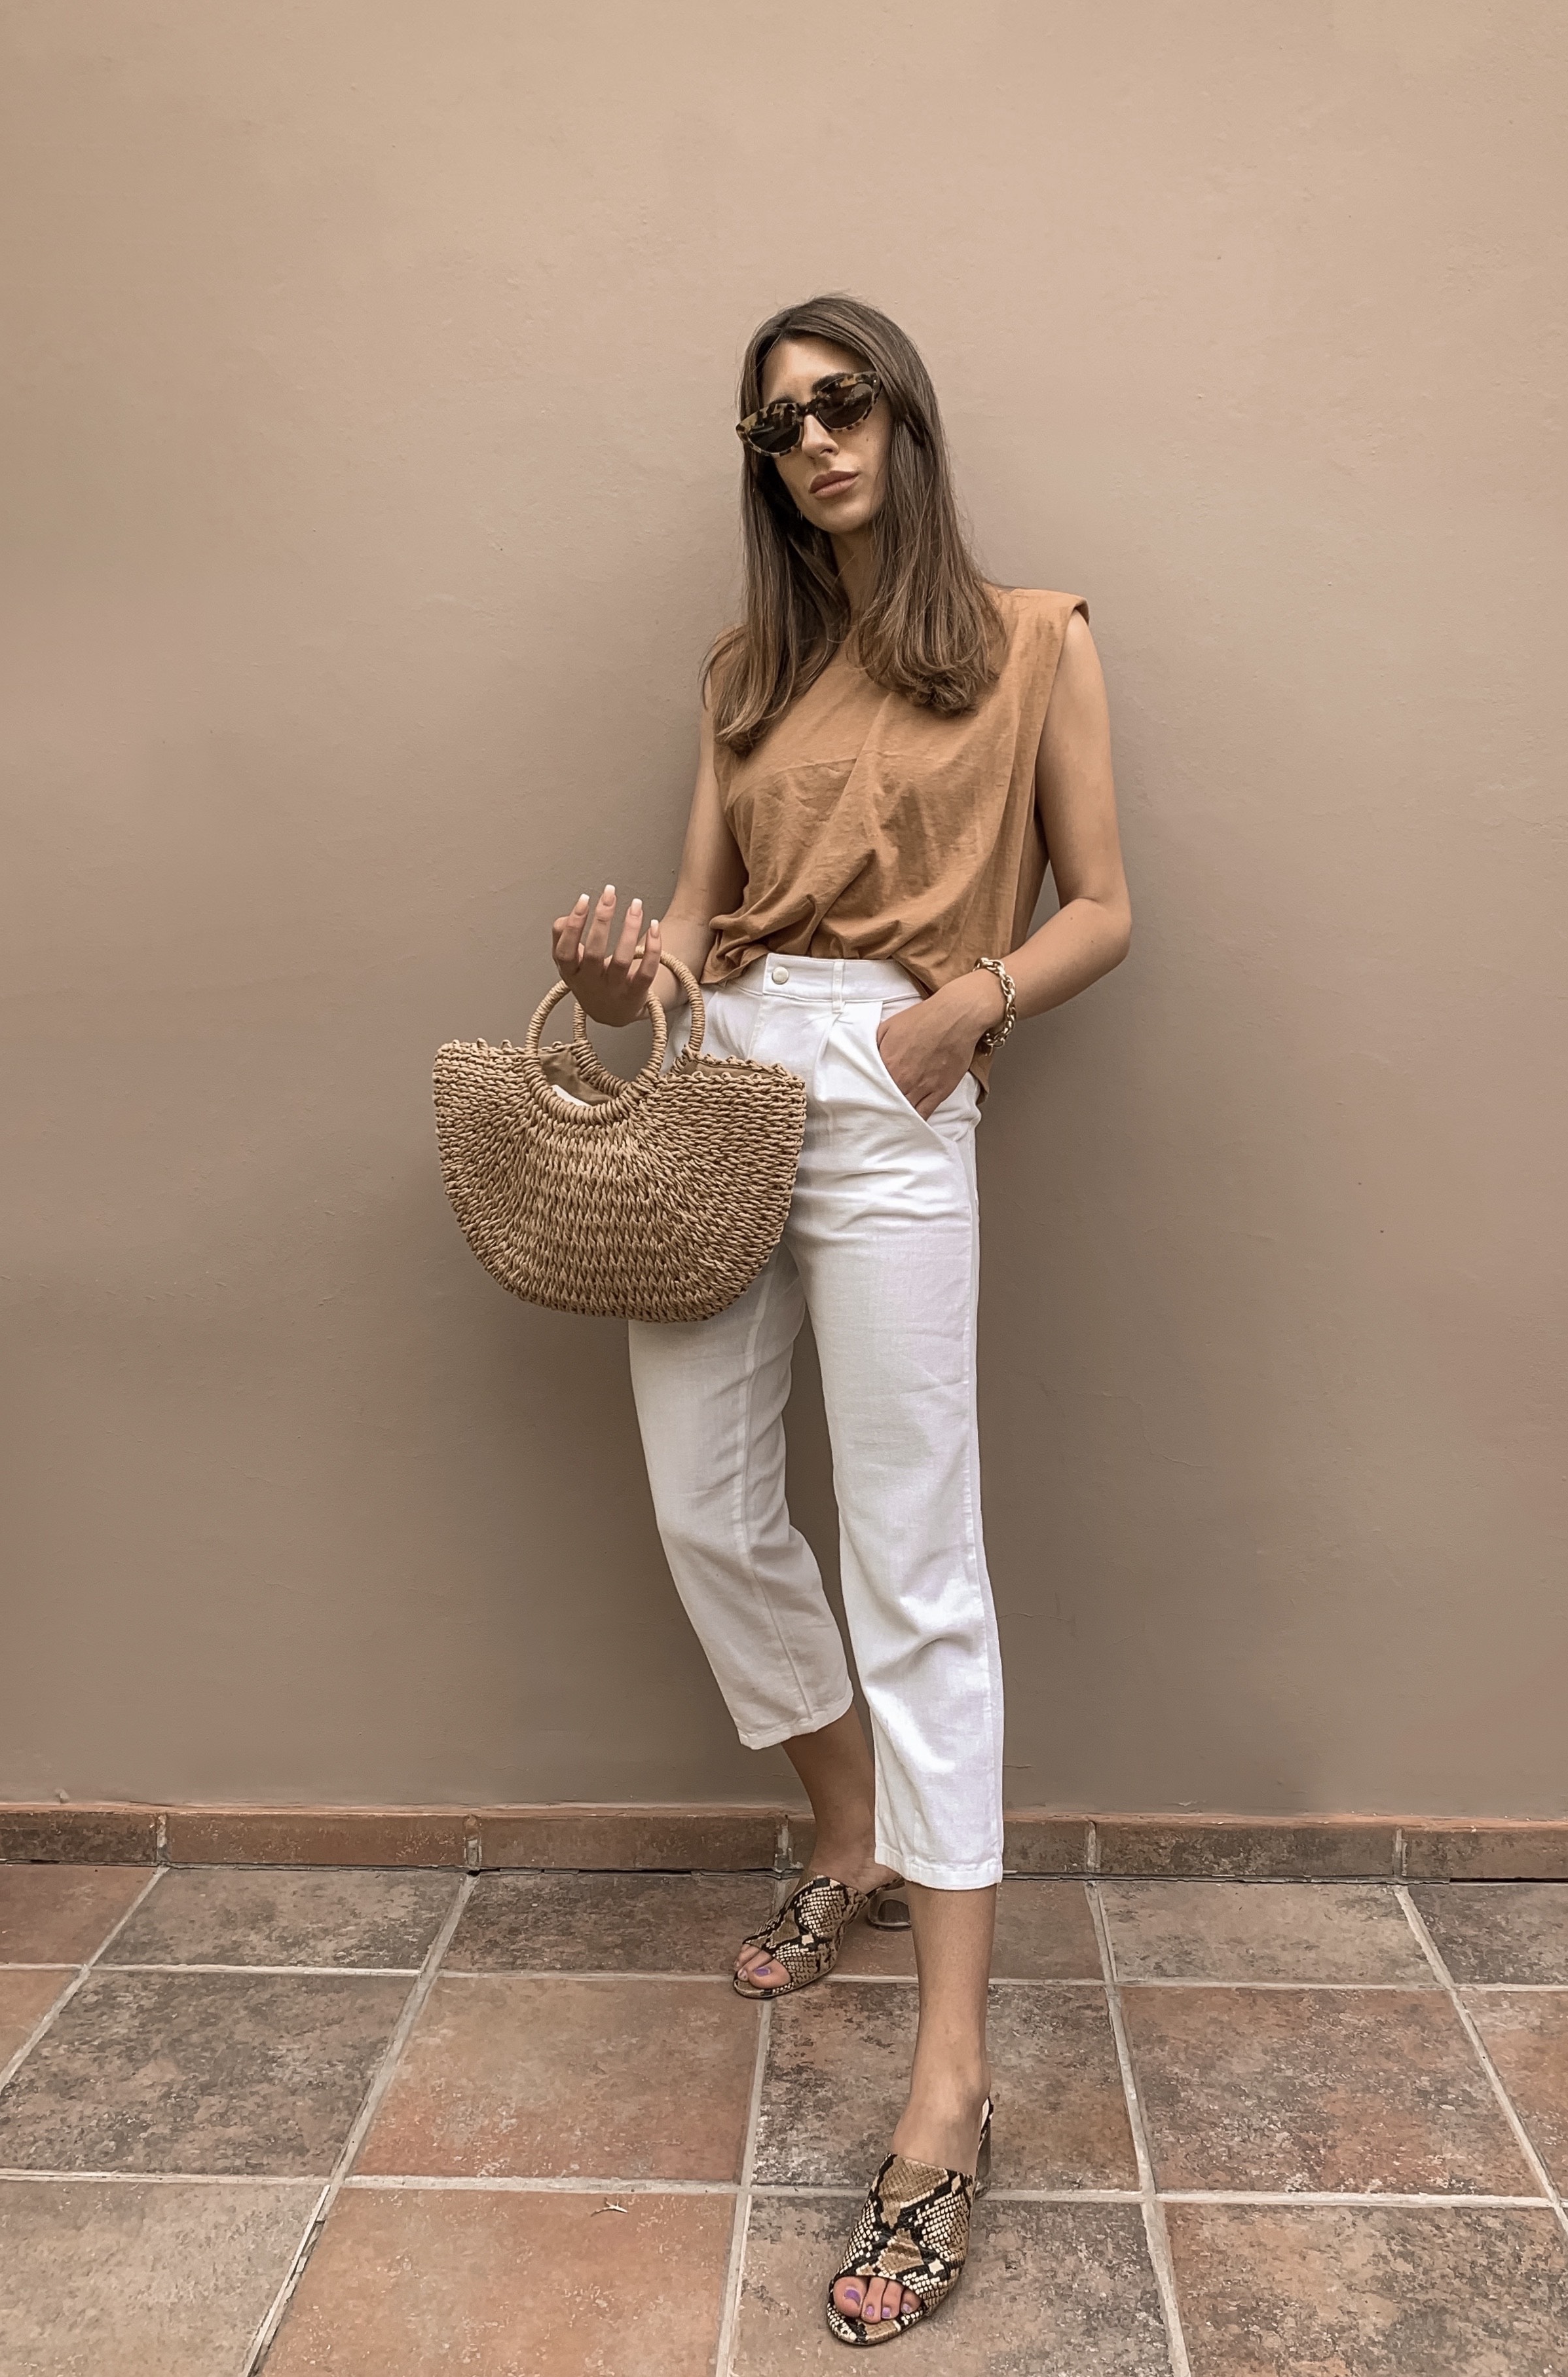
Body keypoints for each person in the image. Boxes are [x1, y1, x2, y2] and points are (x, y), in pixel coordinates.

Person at [552, 293, 1129, 2345]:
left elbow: (1104, 902)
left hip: (896, 1089)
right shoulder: (744, 672)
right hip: (729, 1081)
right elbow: (697, 928)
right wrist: (626, 980)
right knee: (708, 1510)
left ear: (904, 413)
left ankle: (949, 2089)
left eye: (840, 401)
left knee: (918, 1571)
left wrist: (965, 1009)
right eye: (776, 424)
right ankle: (846, 1824)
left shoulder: (1038, 638)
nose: (811, 440)